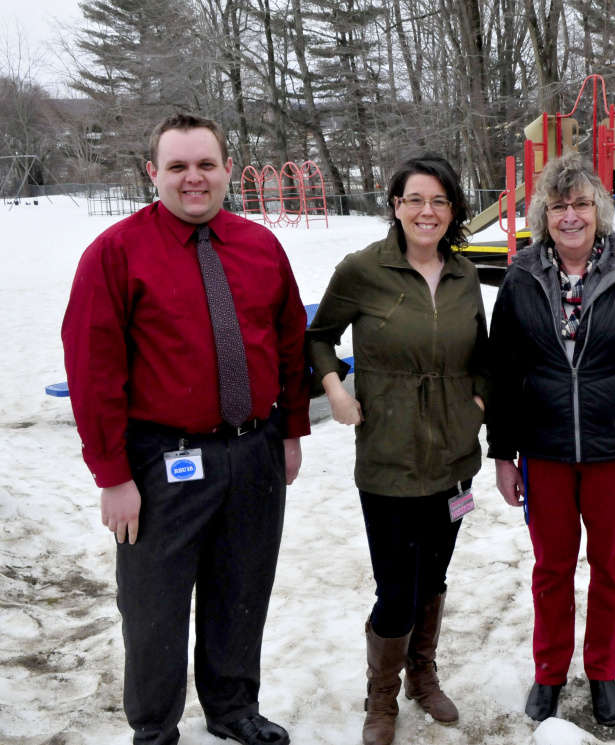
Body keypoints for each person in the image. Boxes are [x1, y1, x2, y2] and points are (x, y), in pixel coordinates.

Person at [62, 112, 311, 745]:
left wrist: (290, 431)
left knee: (242, 592)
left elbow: (288, 344)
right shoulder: (115, 255)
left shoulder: (260, 247)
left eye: (206, 164)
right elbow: (93, 371)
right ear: (154, 173)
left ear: (229, 169)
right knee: (154, 610)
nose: (193, 178)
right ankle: (155, 728)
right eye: (177, 166)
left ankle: (232, 709)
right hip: (160, 461)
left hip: (253, 452)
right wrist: (113, 475)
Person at [487, 151, 615, 727]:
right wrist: (502, 454)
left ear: (597, 209)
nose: (569, 216)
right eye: (557, 206)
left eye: (579, 204)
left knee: (611, 567)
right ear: (542, 216)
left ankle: (602, 671)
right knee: (551, 570)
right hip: (543, 452)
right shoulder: (520, 277)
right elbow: (502, 375)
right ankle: (549, 674)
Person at [306, 154, 489, 745]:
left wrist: (479, 404)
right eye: (414, 199)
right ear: (395, 206)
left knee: (434, 576)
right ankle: (380, 699)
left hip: (455, 458)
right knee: (396, 588)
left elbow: (482, 357)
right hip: (387, 458)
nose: (426, 211)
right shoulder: (364, 270)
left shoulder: (464, 276)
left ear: (453, 210)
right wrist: (335, 388)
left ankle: (422, 676)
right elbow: (316, 336)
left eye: (438, 201)